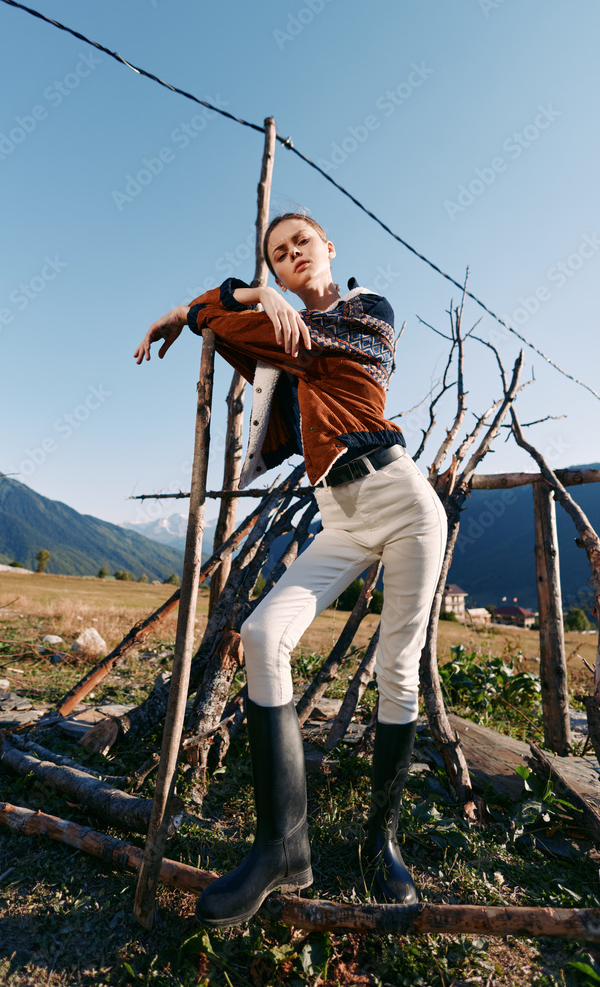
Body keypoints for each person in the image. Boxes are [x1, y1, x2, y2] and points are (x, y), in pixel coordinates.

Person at [134, 212, 447, 928]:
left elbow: (260, 331)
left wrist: (231, 305)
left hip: (401, 502)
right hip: (337, 514)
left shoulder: (368, 313)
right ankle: (284, 846)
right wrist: (241, 298)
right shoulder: (275, 322)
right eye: (277, 255)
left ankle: (380, 842)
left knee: (396, 668)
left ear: (328, 247)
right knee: (262, 630)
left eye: (300, 242)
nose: (291, 255)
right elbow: (218, 322)